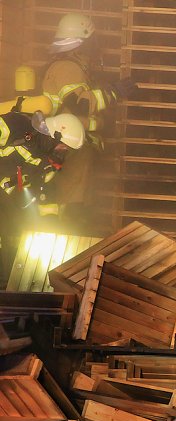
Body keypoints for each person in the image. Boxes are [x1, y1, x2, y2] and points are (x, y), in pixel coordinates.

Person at [41, 12, 135, 227]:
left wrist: (100, 124)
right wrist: (113, 93)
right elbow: (79, 104)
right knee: (71, 207)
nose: (96, 45)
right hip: (67, 146)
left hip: (73, 146)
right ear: (80, 42)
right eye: (92, 40)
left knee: (76, 202)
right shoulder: (67, 67)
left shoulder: (73, 66)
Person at [0, 110, 84, 284]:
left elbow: (35, 188)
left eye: (67, 150)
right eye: (63, 146)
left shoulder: (45, 161)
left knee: (12, 237)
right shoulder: (16, 125)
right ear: (55, 135)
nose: (63, 152)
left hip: (7, 200)